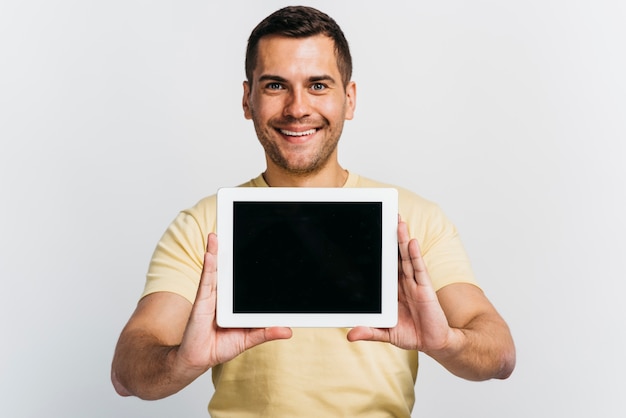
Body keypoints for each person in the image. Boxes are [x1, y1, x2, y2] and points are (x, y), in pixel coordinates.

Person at [111, 5, 515, 417]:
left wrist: (445, 342)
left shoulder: (412, 219)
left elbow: (499, 353)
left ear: (349, 99)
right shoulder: (204, 226)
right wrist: (183, 361)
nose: (297, 108)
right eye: (274, 86)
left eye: (318, 85)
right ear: (247, 99)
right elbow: (127, 371)